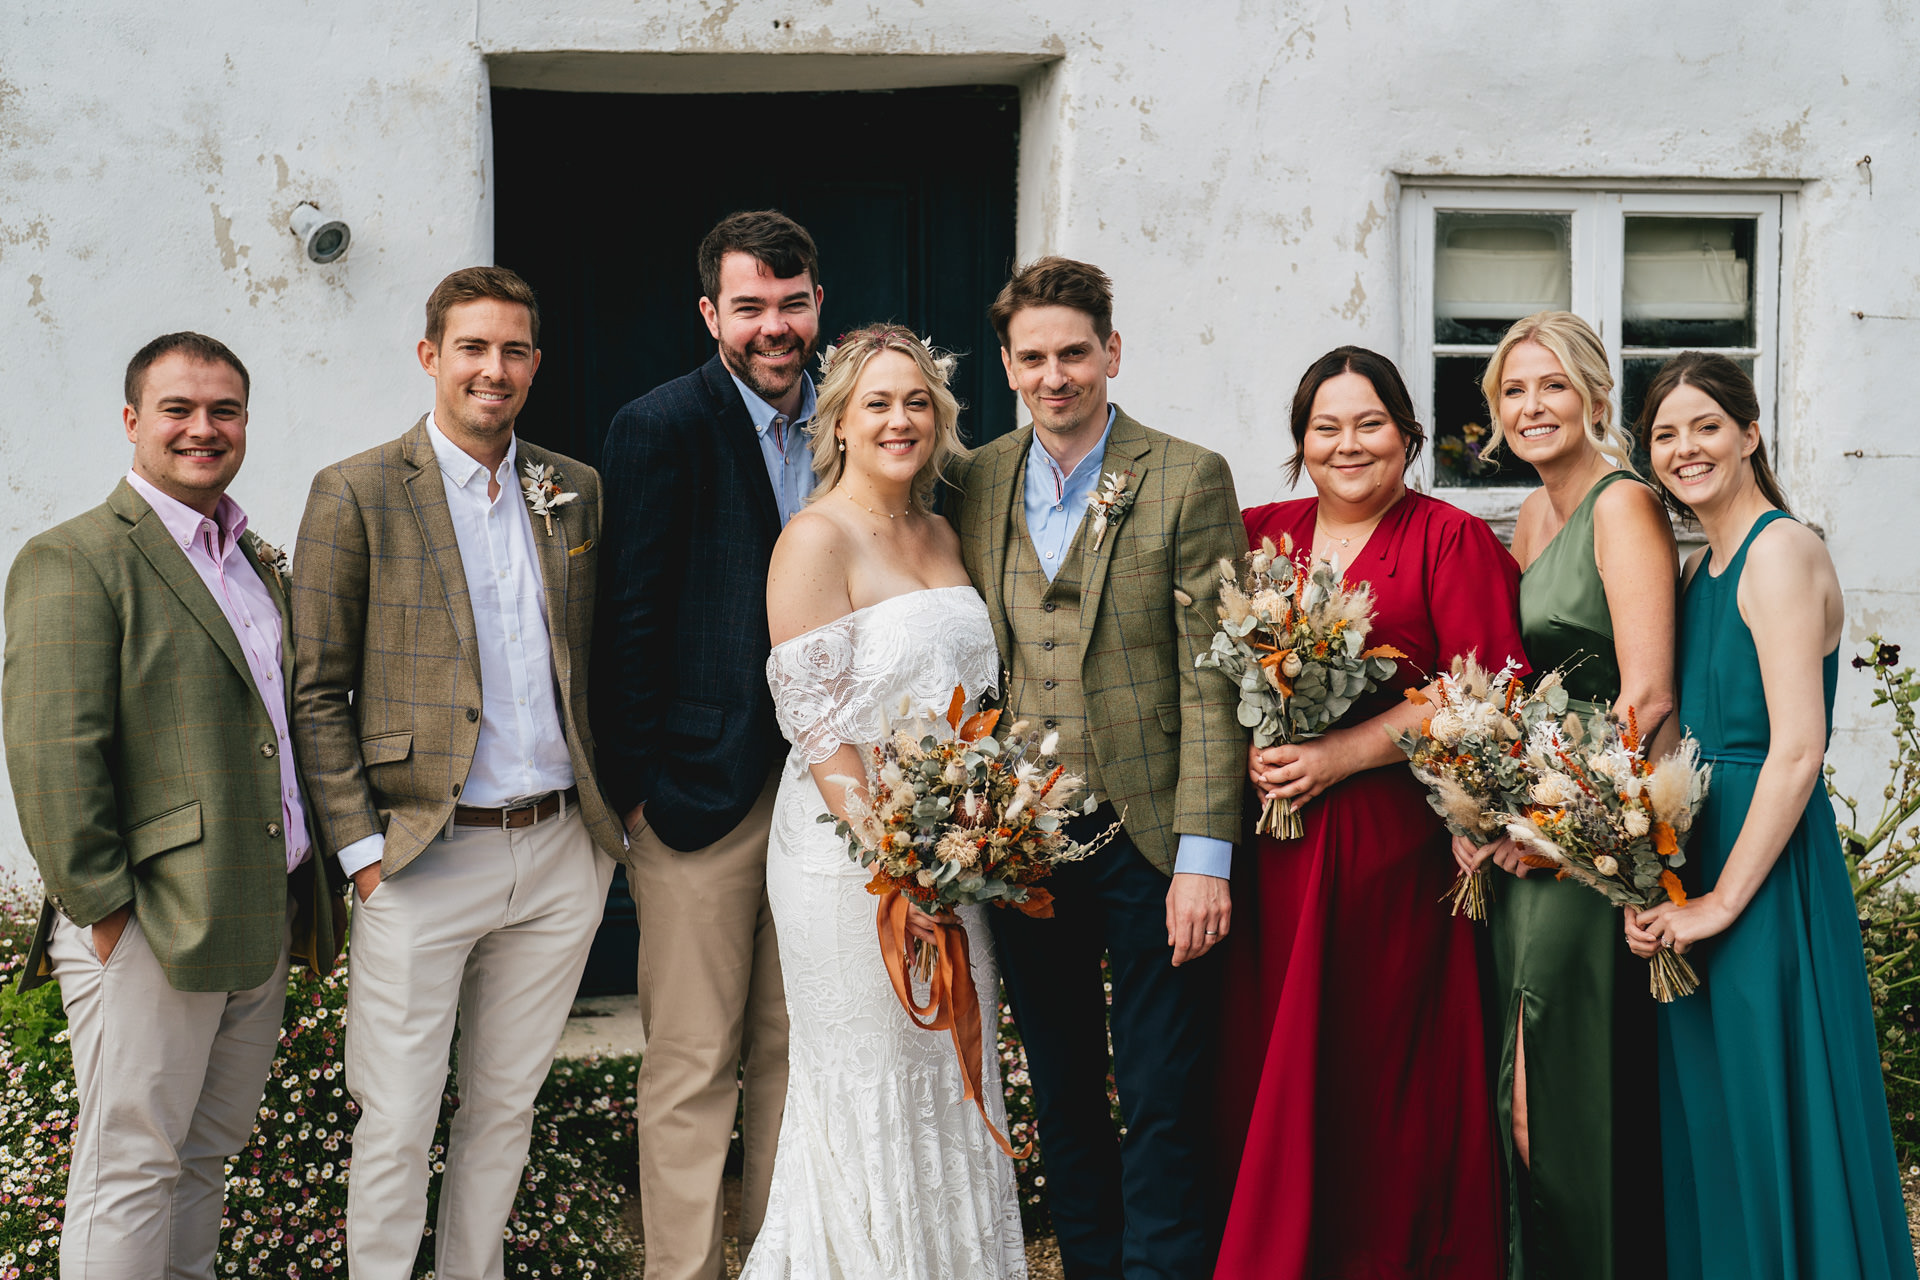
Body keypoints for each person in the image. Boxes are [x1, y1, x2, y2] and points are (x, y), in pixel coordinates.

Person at [291, 266, 624, 1279]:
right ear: (431, 355)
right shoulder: (354, 491)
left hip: (562, 848)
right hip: (422, 853)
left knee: (504, 1106)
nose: (495, 368)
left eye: (514, 349)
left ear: (534, 363)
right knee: (394, 1115)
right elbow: (317, 689)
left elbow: (593, 655)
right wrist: (361, 854)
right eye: (473, 347)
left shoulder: (571, 487)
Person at [3, 332, 343, 1279]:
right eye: (179, 410)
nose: (204, 428)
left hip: (254, 916)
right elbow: (51, 754)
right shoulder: (73, 559)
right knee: (128, 1173)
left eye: (224, 410)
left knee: (202, 1163)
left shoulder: (249, 562)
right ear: (131, 422)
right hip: (148, 926)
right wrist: (108, 912)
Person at [944, 257, 1245, 1279]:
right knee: (1064, 1086)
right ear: (1008, 365)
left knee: (1162, 1090)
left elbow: (1216, 674)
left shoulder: (1187, 474)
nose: (1054, 374)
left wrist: (1208, 853)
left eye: (1074, 352)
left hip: (1153, 833)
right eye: (1033, 356)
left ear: (1112, 353)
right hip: (1025, 842)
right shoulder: (977, 477)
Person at [1215, 347, 1520, 1278]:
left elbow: (1482, 689)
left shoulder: (1449, 538)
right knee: (1263, 1057)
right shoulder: (1256, 534)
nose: (1347, 445)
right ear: (1300, 441)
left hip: (1389, 851)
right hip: (1265, 847)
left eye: (1369, 424)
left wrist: (1339, 754)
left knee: (1374, 1064)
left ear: (1408, 433)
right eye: (1325, 427)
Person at [745, 322, 1026, 1279]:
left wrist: (958, 850)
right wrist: (898, 865)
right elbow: (819, 728)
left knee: (948, 1072)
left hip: (953, 856)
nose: (900, 420)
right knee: (869, 1077)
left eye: (917, 402)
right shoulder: (814, 539)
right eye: (878, 403)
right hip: (849, 856)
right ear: (840, 422)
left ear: (941, 417)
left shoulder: (946, 532)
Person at [1625, 353, 1915, 1280]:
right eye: (1665, 434)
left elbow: (1798, 747)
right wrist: (1643, 870)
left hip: (1763, 869)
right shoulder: (1699, 567)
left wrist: (1715, 904)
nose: (1686, 448)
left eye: (1706, 425)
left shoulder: (1781, 550)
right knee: (1719, 1118)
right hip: (1701, 850)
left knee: (1773, 1101)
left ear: (1751, 433)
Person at [592, 209, 816, 1277]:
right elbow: (625, 621)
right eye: (751, 307)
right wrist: (638, 792)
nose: (774, 327)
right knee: (691, 1058)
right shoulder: (659, 424)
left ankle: (776, 1258)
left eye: (792, 303)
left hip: (829, 794)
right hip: (696, 795)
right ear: (710, 313)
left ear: (818, 301)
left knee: (794, 1048)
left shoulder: (852, 423)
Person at [1453, 312, 1677, 1278]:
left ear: (1594, 396)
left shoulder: (1622, 504)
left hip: (1586, 840)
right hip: (1526, 827)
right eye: (1513, 390)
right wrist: (1476, 807)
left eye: (1552, 386)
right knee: (1514, 1073)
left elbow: (1650, 698)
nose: (1531, 406)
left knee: (1550, 1086)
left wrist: (1568, 835)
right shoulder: (1535, 510)